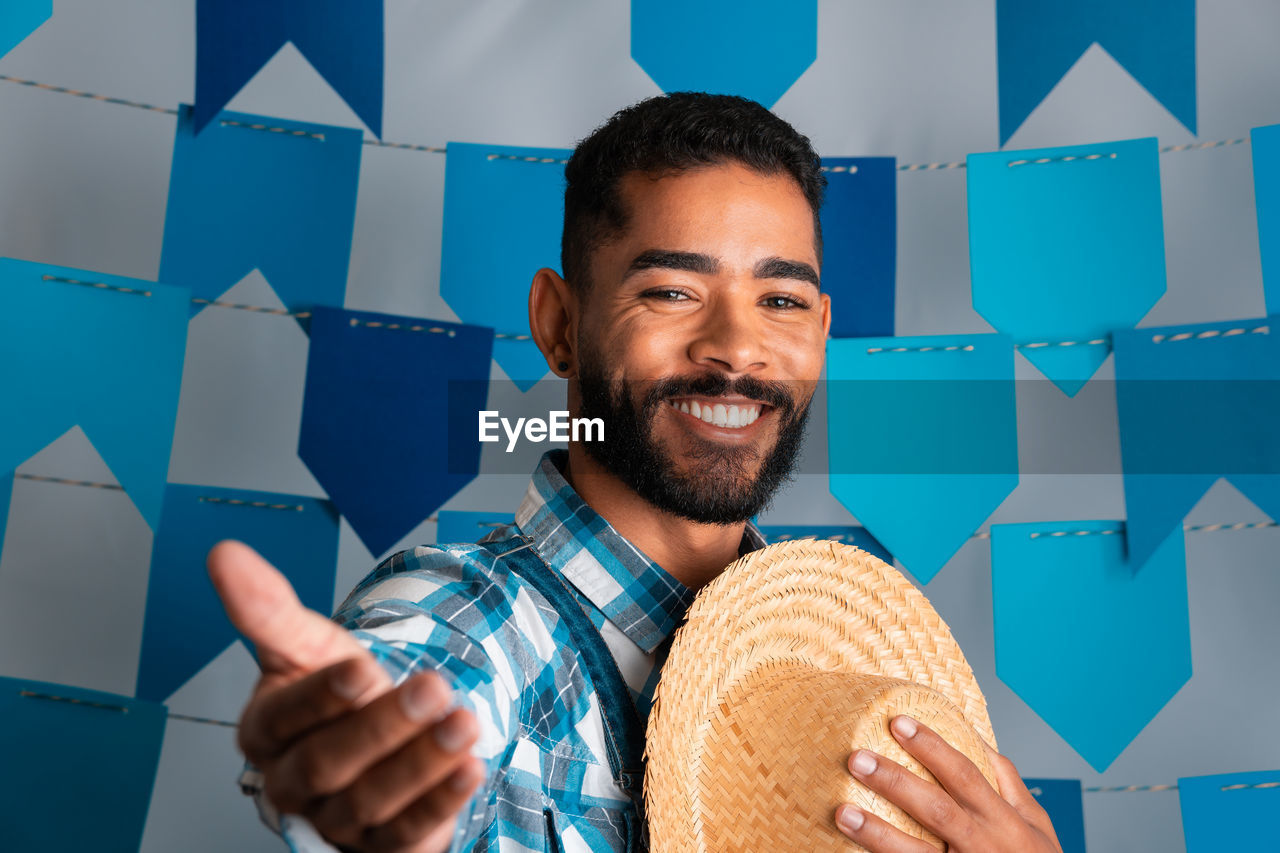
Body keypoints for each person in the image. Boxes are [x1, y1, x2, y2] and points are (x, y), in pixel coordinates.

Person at [211, 92, 1062, 853]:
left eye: (782, 300)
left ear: (822, 331)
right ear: (559, 325)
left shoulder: (845, 691)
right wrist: (363, 768)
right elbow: (417, 685)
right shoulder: (480, 622)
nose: (736, 346)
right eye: (671, 292)